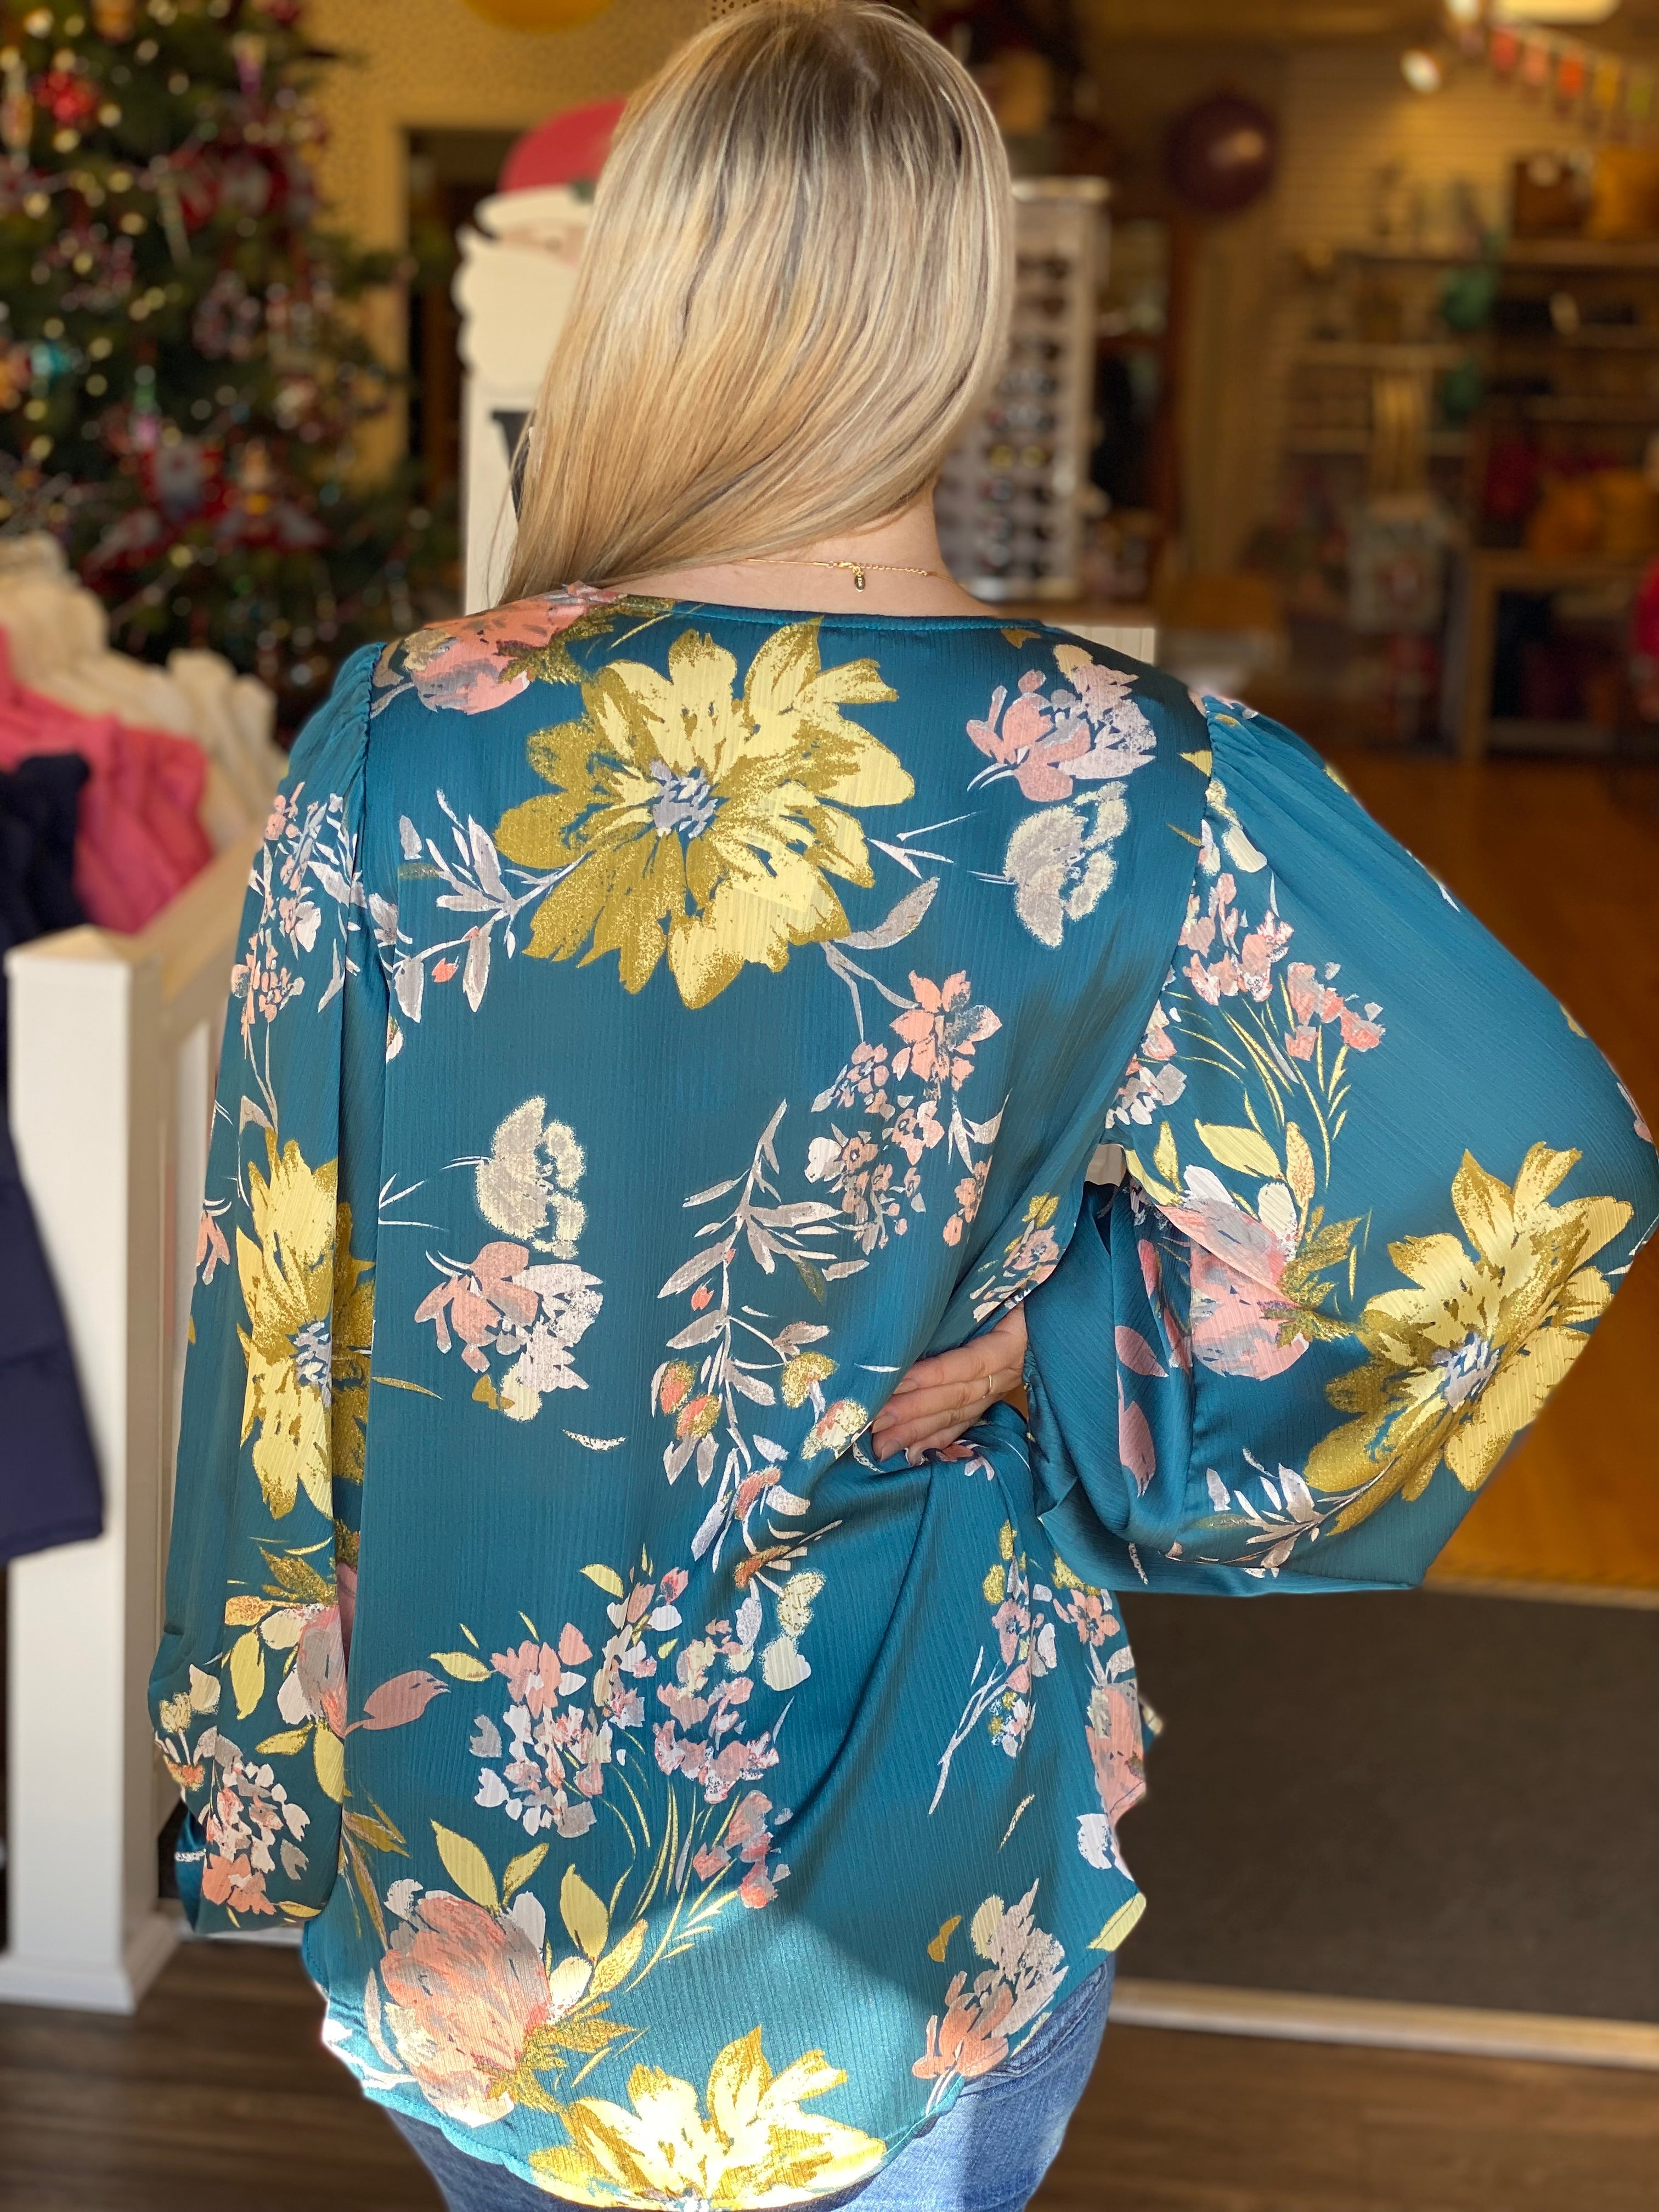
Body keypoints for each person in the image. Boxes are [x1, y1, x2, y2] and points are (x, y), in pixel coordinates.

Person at [149, 5, 1659, 2209]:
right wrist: (1086, 1361)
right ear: (959, 312)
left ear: (650, 287)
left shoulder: (404, 738)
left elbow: (271, 1317)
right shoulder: (1133, 783)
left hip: (481, 1911)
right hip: (920, 1894)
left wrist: (255, 1790)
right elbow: (1544, 1171)